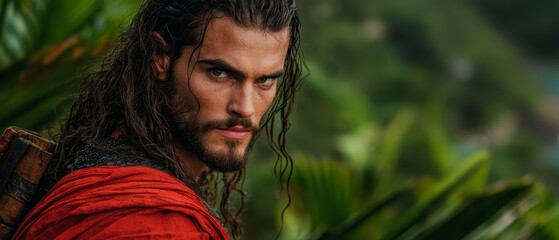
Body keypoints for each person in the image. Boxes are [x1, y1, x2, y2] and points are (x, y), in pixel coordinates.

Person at [12, 0, 304, 239]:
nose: (245, 108)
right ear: (161, 57)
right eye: (219, 73)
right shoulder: (156, 226)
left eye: (265, 80)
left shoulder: (106, 167)